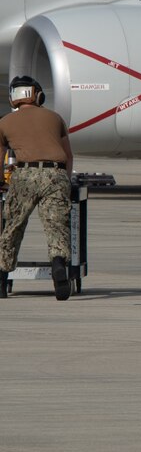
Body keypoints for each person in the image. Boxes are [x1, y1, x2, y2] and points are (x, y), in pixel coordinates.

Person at [0, 75, 75, 300]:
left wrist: (3, 182)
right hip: (56, 173)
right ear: (38, 95)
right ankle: (59, 266)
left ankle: (2, 279)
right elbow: (68, 156)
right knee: (56, 226)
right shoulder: (55, 118)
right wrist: (65, 181)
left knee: (12, 226)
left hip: (25, 174)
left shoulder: (4, 122)